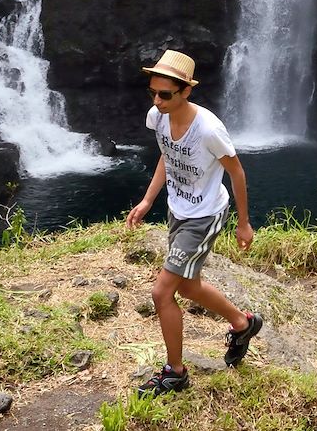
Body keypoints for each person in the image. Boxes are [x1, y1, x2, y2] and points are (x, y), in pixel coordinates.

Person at [125, 49, 263, 395]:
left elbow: (237, 172)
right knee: (187, 287)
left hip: (204, 216)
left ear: (187, 91)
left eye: (165, 94)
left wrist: (243, 223)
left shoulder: (209, 129)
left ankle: (175, 372)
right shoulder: (157, 116)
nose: (157, 100)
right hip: (178, 210)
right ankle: (242, 323)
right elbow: (167, 155)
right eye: (153, 93)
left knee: (162, 291)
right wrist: (147, 199)